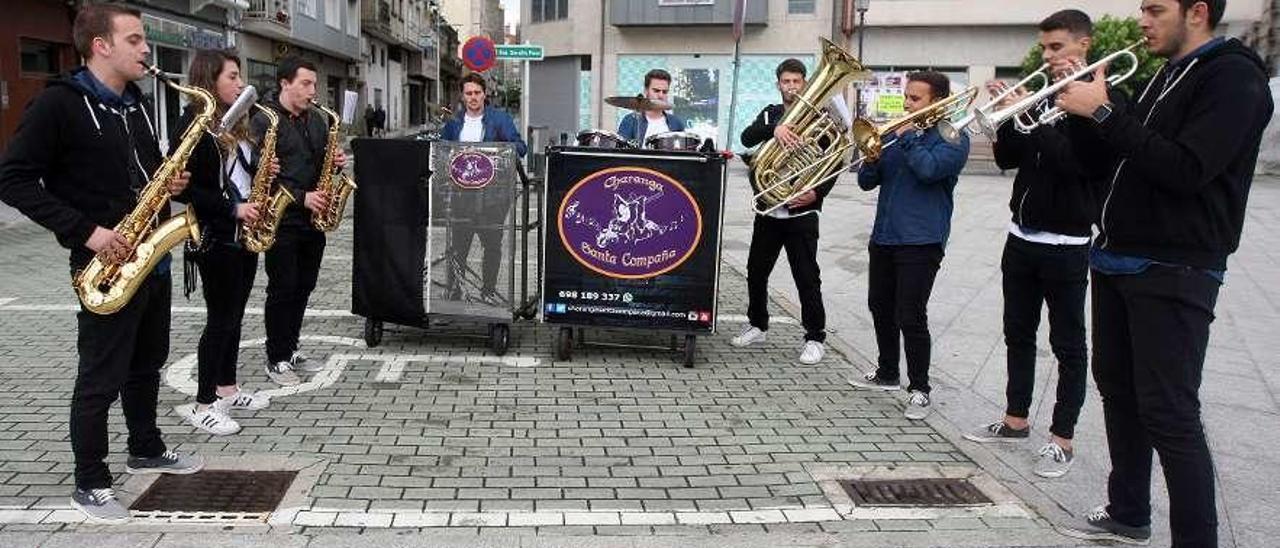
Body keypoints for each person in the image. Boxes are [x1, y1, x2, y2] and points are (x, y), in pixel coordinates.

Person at [1054, 1, 1273, 545]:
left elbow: (1188, 169)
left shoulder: (1234, 78)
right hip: (1115, 258)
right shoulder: (1166, 76)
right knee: (1120, 393)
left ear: (1196, 11)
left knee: (1170, 412)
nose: (1143, 21)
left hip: (1174, 266)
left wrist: (1105, 114)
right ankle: (1129, 510)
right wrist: (1081, 114)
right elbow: (1107, 163)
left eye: (1154, 9)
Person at [0, 3, 203, 523]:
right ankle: (90, 482)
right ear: (101, 46)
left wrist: (170, 182)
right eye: (134, 39)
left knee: (147, 365)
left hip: (149, 257)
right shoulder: (59, 106)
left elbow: (146, 170)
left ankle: (147, 446)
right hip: (104, 265)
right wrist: (87, 232)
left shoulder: (132, 105)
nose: (146, 49)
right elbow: (14, 180)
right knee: (99, 377)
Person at [961, 9, 1102, 480]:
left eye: (1056, 47)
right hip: (1020, 238)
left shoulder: (1099, 98)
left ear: (1084, 45)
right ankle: (1015, 420)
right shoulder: (1045, 98)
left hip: (1067, 243)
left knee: (1068, 345)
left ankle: (1062, 439)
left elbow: (1078, 165)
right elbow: (1008, 159)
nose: (1047, 56)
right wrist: (1004, 121)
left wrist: (1032, 116)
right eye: (1044, 48)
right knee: (1017, 334)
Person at [848, 71, 970, 421]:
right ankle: (887, 372)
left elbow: (929, 170)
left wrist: (907, 138)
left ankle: (920, 389)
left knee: (911, 315)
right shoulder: (897, 136)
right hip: (885, 235)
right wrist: (871, 158)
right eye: (906, 97)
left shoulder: (951, 137)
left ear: (937, 101)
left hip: (922, 238)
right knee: (879, 305)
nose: (906, 104)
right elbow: (867, 183)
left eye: (915, 99)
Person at [174, 48, 273, 435]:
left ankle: (227, 388)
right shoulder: (194, 125)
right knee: (219, 320)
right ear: (209, 79)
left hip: (244, 234)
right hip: (217, 234)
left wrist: (264, 166)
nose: (239, 83)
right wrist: (233, 211)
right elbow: (187, 189)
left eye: (239, 76)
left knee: (234, 318)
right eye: (231, 76)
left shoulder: (234, 122)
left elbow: (242, 176)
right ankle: (203, 403)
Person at [732, 58, 833, 365]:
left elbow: (835, 162)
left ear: (805, 83)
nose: (791, 87)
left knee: (806, 276)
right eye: (786, 82)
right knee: (756, 271)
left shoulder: (821, 118)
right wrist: (775, 130)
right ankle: (758, 325)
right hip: (769, 210)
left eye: (796, 81)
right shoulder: (770, 113)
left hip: (802, 214)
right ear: (779, 84)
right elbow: (747, 138)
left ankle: (815, 337)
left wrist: (817, 193)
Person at [255, 56, 347, 387]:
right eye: (306, 84)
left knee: (304, 286)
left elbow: (322, 165)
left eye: (314, 84)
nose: (313, 90)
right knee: (282, 288)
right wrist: (301, 196)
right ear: (285, 83)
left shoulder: (318, 121)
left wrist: (335, 163)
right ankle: (276, 357)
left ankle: (291, 347)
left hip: (312, 219)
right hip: (282, 219)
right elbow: (260, 175)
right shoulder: (264, 121)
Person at [439, 73, 527, 302]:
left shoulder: (500, 119)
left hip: (493, 195)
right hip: (461, 194)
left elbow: (520, 146)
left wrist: (499, 152)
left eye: (477, 92)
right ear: (462, 96)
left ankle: (487, 291)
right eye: (468, 93)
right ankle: (454, 291)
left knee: (492, 245)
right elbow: (441, 151)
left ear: (484, 94)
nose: (473, 97)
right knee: (458, 245)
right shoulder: (453, 123)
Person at [617, 69, 687, 143]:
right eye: (656, 91)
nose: (661, 95)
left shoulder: (676, 123)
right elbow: (620, 150)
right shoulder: (631, 120)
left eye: (665, 92)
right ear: (646, 91)